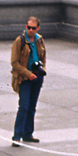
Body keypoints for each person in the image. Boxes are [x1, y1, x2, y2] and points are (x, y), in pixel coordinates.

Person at [10, 16, 47, 145]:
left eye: (33, 28)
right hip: (24, 78)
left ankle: (28, 133)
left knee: (32, 107)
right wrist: (27, 73)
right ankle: (17, 136)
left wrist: (42, 70)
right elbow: (14, 62)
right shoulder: (19, 41)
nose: (30, 30)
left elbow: (43, 57)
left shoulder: (39, 40)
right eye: (28, 27)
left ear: (38, 28)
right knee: (24, 106)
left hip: (37, 77)